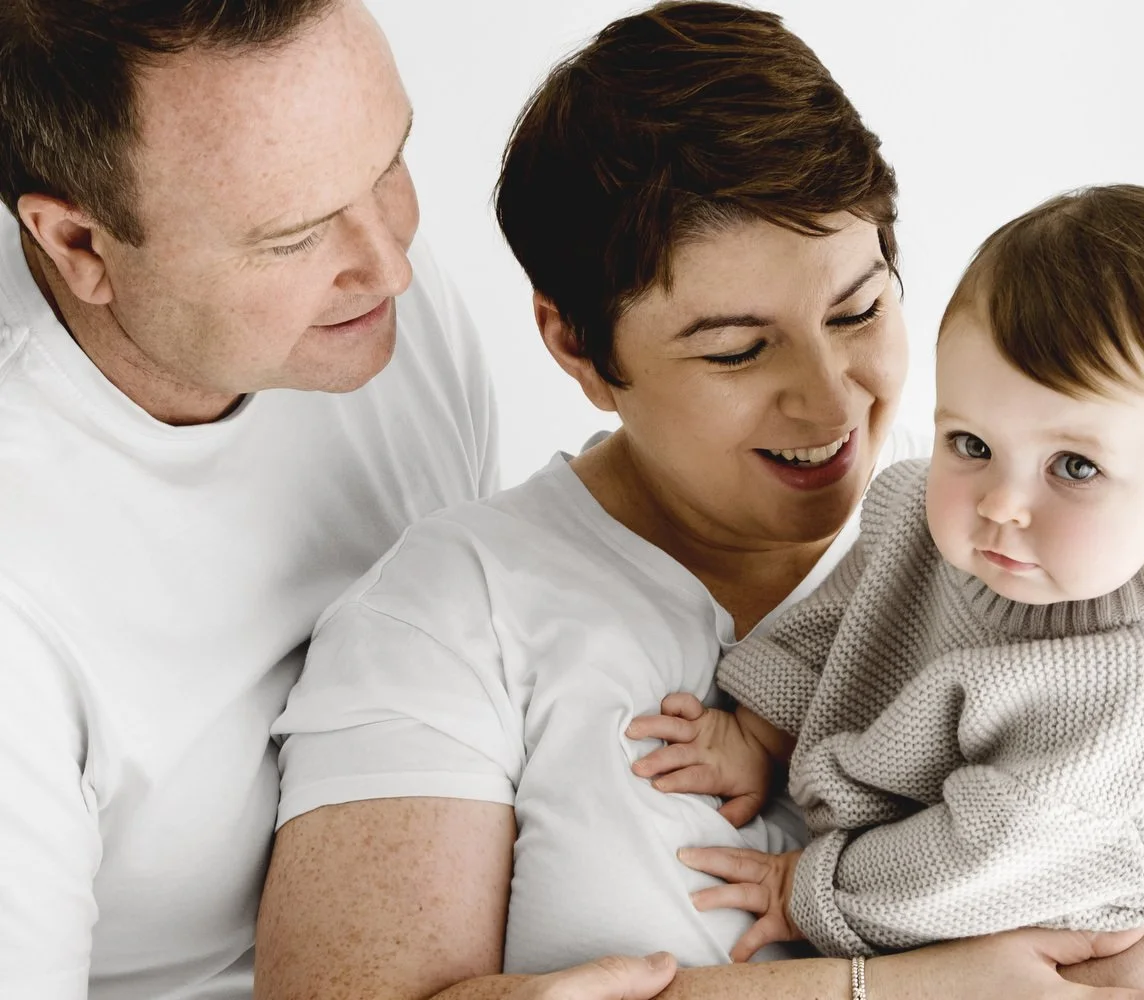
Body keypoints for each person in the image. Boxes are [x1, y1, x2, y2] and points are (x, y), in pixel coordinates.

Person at [257, 4, 1144, 999]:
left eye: (858, 310)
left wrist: (1066, 974)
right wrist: (895, 988)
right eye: (736, 350)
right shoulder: (455, 609)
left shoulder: (1096, 563)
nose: (832, 400)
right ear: (574, 343)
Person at [0, 2, 675, 998]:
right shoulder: (22, 589)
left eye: (389, 165)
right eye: (294, 236)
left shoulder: (362, 293)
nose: (394, 262)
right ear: (80, 246)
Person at [627, 184, 1144, 962]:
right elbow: (841, 621)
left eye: (1073, 466)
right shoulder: (922, 515)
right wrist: (756, 729)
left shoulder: (1127, 691)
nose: (1002, 503)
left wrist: (808, 889)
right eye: (972, 443)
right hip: (1019, 830)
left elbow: (979, 859)